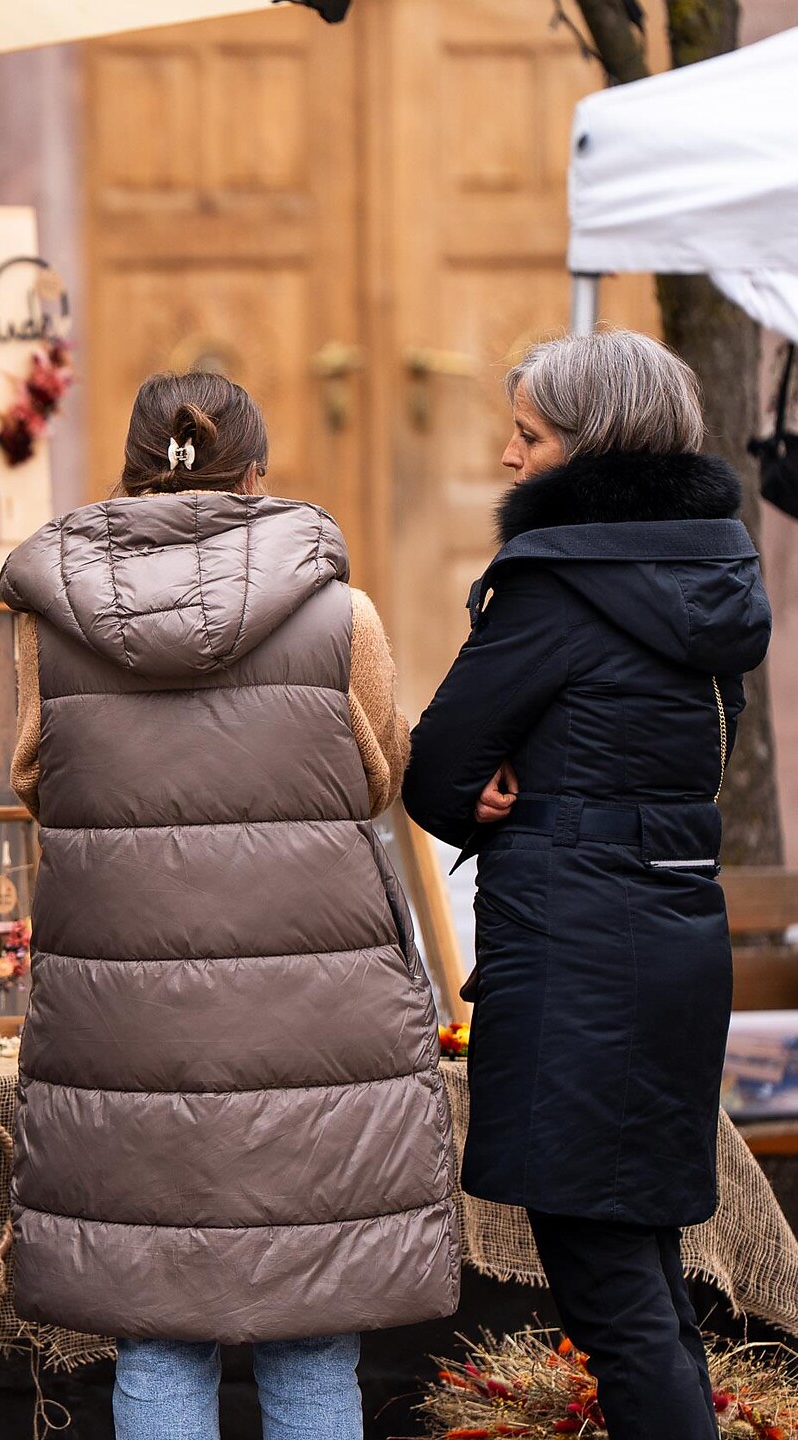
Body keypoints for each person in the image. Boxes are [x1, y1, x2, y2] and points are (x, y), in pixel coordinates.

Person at [0, 372, 459, 1440]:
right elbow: (380, 778)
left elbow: (36, 779)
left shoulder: (48, 624)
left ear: (126, 472)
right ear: (253, 476)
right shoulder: (343, 616)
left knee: (156, 1325)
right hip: (319, 1026)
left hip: (127, 1030)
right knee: (311, 1327)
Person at [405, 329, 771, 1440]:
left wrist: (482, 792)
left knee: (611, 1289)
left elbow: (438, 769)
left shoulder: (555, 588)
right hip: (669, 940)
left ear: (589, 446)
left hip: (575, 954)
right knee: (644, 1272)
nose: (512, 457)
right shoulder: (714, 581)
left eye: (530, 435)